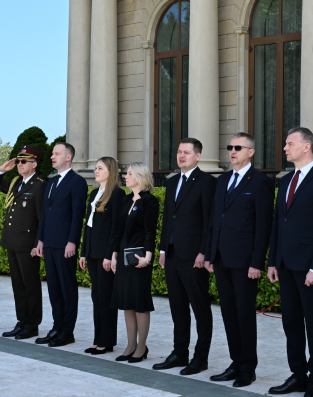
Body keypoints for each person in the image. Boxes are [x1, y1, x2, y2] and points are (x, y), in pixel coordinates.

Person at [267, 127, 313, 397]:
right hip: (285, 264)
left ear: (306, 146)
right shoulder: (285, 180)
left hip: (309, 267)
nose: (285, 148)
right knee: (291, 323)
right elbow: (278, 224)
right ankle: (298, 374)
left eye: (290, 143)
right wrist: (273, 261)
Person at [203, 133, 274, 387]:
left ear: (250, 152)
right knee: (229, 314)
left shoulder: (261, 182)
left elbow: (263, 226)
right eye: (230, 147)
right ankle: (235, 362)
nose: (232, 151)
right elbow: (215, 219)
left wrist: (257, 262)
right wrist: (210, 254)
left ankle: (247, 368)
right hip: (221, 257)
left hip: (245, 261)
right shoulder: (222, 180)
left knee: (244, 314)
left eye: (238, 147)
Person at [152, 138, 216, 375]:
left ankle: (200, 358)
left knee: (200, 309)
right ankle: (180, 353)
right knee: (177, 308)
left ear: (198, 156)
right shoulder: (172, 182)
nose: (181, 156)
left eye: (187, 152)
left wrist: (204, 251)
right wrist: (162, 249)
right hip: (172, 254)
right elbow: (169, 217)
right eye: (179, 151)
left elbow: (209, 221)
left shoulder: (207, 182)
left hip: (194, 256)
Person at [0, 145, 46, 340]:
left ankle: (32, 325)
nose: (20, 164)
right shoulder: (16, 183)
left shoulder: (39, 185)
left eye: (24, 161)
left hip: (28, 243)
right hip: (12, 240)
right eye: (19, 161)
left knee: (30, 285)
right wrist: (2, 169)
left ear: (34, 164)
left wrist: (38, 242)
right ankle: (21, 321)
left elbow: (42, 218)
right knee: (18, 285)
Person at [35, 142, 88, 348]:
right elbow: (45, 214)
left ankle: (67, 331)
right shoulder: (51, 182)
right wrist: (40, 239)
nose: (52, 156)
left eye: (56, 153)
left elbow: (77, 215)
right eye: (52, 153)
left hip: (65, 244)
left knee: (67, 288)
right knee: (54, 288)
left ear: (68, 157)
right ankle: (56, 327)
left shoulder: (77, 182)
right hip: (49, 243)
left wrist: (72, 241)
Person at [110, 162, 160, 363]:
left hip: (139, 258)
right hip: (123, 256)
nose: (125, 176)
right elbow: (118, 230)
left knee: (140, 302)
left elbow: (150, 231)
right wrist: (114, 254)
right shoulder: (126, 199)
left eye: (130, 173)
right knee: (127, 301)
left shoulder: (150, 201)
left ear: (140, 177)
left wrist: (147, 257)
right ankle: (130, 345)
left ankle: (141, 346)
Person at [78, 156, 125, 355]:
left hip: (105, 254)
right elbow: (88, 227)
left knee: (106, 298)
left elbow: (116, 228)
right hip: (92, 253)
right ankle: (98, 339)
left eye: (100, 168)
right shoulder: (94, 193)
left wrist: (109, 255)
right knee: (96, 297)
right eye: (96, 168)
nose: (96, 171)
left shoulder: (117, 194)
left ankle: (107, 341)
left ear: (110, 171)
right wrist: (84, 253)